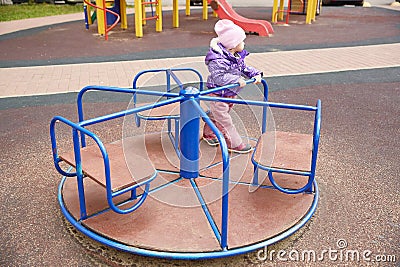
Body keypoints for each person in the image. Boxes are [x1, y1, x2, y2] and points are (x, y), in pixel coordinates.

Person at [202, 19, 263, 153]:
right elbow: (218, 77)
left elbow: (244, 68)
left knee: (217, 115)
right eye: (241, 41)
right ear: (232, 44)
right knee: (225, 121)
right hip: (218, 95)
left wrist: (256, 74)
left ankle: (208, 133)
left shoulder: (234, 55)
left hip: (229, 94)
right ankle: (234, 144)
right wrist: (236, 79)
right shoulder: (217, 59)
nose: (244, 43)